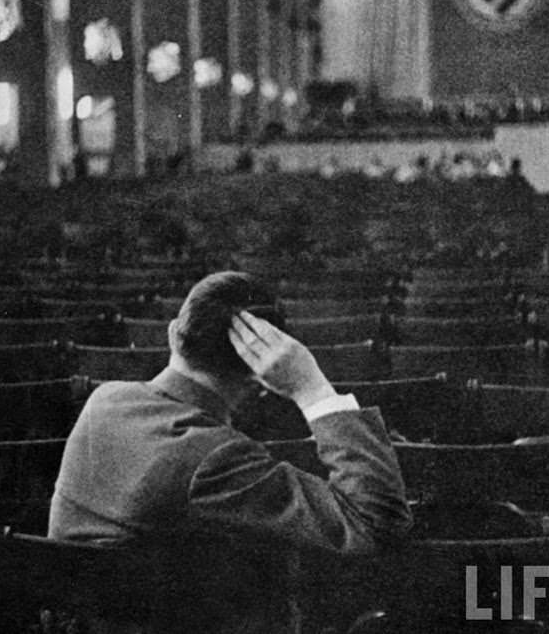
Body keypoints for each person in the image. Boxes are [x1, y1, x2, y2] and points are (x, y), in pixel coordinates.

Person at [49, 271, 412, 632]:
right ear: (259, 373)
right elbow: (373, 521)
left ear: (174, 333)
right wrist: (312, 388)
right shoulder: (216, 457)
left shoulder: (104, 400)